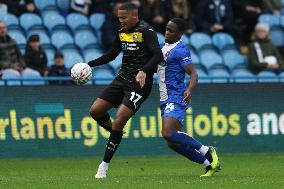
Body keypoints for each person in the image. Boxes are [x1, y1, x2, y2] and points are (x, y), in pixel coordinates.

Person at [87, 2, 163, 179]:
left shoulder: (146, 31)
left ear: (134, 16)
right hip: (121, 79)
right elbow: (111, 55)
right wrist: (88, 65)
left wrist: (144, 70)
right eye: (119, 18)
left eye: (123, 18)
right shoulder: (122, 33)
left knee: (120, 118)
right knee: (95, 111)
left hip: (139, 84)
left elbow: (158, 55)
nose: (120, 21)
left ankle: (103, 166)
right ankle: (115, 132)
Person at [157, 18, 221, 177]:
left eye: (171, 30)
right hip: (165, 99)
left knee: (167, 132)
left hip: (177, 96)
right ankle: (209, 164)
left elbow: (193, 73)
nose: (167, 32)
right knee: (173, 142)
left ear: (180, 34)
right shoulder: (162, 48)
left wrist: (189, 89)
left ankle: (207, 150)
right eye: (166, 29)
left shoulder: (181, 51)